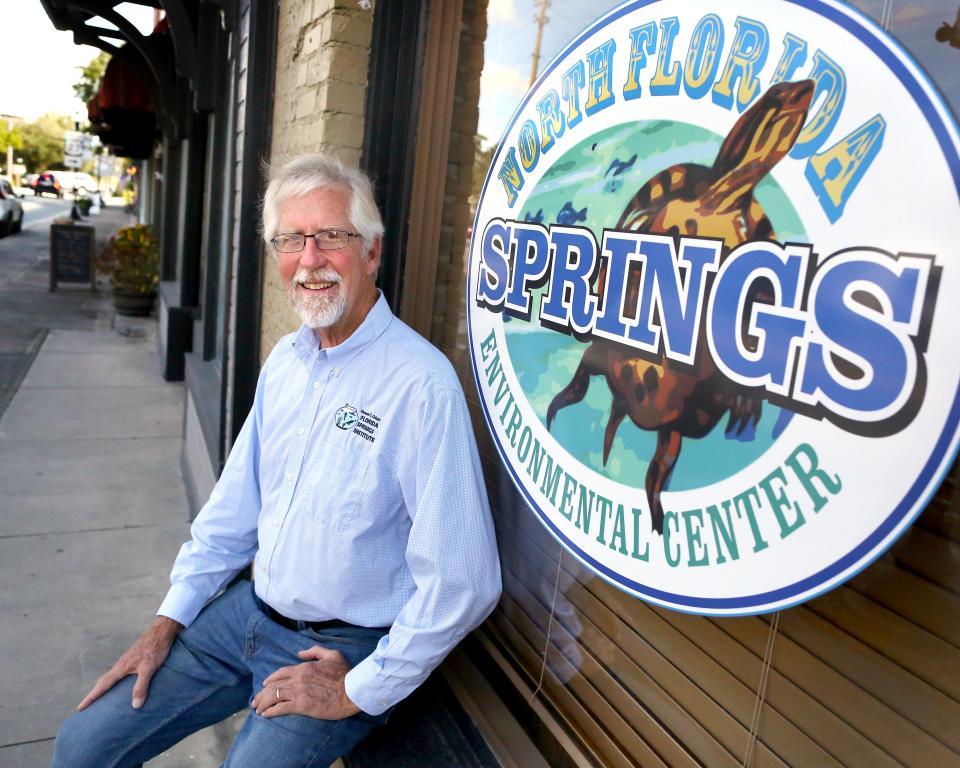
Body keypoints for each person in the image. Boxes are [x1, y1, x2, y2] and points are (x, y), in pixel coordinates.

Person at [51, 154, 502, 767]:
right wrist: (167, 621)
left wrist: (360, 688)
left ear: (371, 252)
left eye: (331, 237)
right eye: (291, 239)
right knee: (82, 745)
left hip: (338, 649)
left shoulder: (421, 383)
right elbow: (231, 514)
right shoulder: (287, 361)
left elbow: (465, 581)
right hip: (245, 615)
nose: (309, 259)